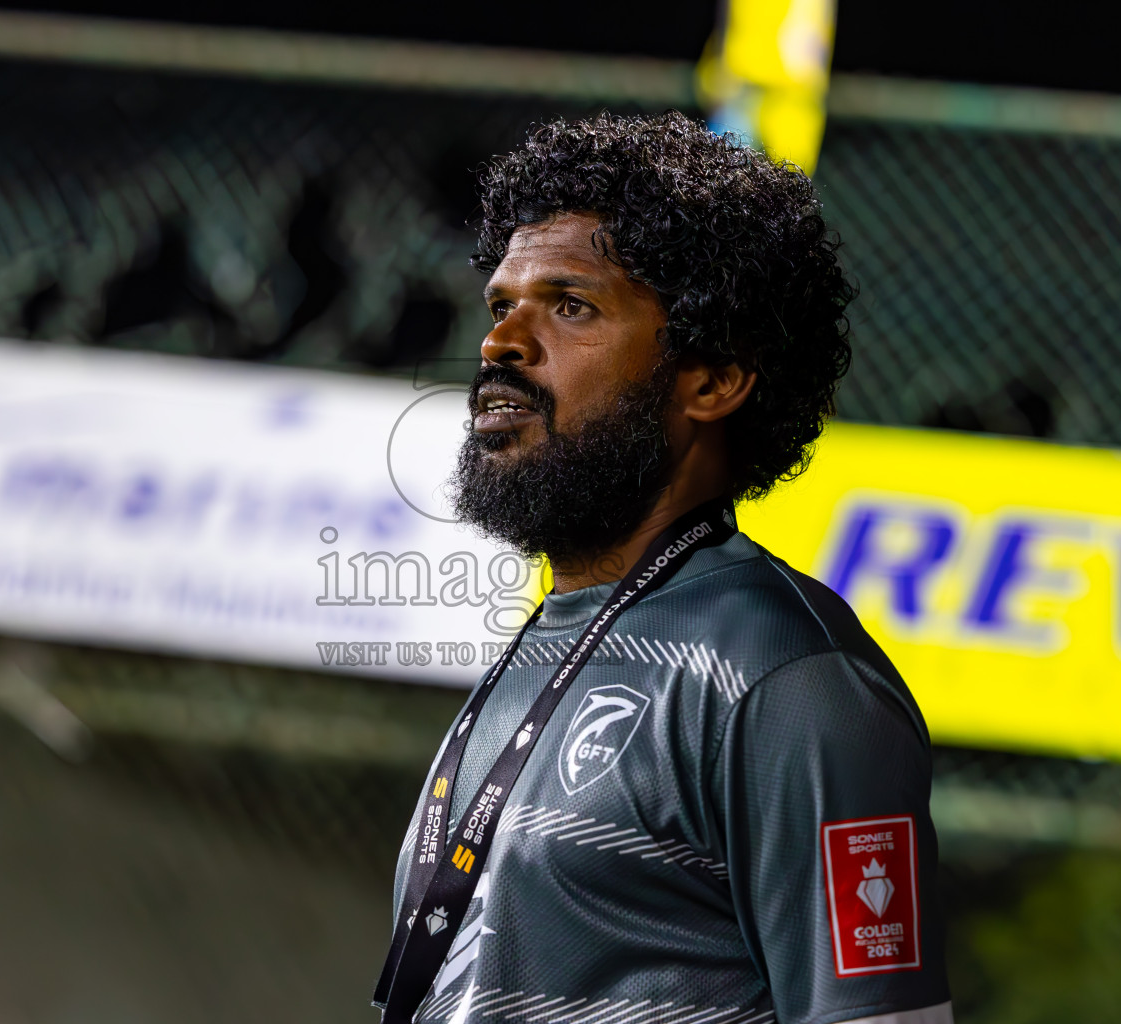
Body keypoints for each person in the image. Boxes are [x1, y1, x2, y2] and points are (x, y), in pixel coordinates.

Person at [374, 112, 951, 1024]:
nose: (501, 344)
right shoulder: (556, 639)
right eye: (501, 305)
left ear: (713, 380)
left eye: (571, 306)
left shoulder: (789, 681)